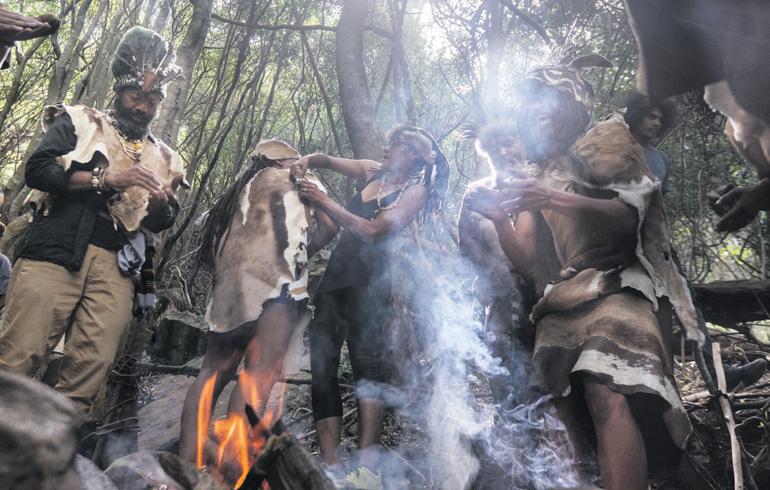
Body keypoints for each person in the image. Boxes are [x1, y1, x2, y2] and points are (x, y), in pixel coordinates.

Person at [467, 55, 701, 489]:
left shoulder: (604, 140)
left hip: (618, 283)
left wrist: (553, 199)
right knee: (566, 411)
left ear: (572, 105)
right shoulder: (538, 173)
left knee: (603, 385)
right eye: (531, 100)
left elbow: (630, 214)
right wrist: (500, 216)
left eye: (548, 98)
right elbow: (523, 256)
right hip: (564, 296)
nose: (537, 109)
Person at [0, 26, 185, 422]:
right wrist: (106, 180)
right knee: (18, 357)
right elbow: (37, 170)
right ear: (120, 94)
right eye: (136, 97)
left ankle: (54, 467)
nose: (142, 107)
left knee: (88, 371)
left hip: (117, 268)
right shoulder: (82, 121)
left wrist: (157, 204)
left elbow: (165, 218)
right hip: (54, 250)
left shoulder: (164, 156)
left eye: (151, 101)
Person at [294, 124, 449, 486]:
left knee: (368, 370)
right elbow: (329, 160)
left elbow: (374, 230)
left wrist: (324, 201)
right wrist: (308, 160)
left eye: (394, 144)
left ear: (411, 153)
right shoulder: (371, 170)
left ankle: (366, 471)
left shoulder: (416, 191)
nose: (386, 147)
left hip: (371, 286)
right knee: (322, 368)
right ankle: (331, 465)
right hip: (334, 281)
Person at [178, 139, 335, 470]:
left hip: (228, 296)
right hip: (278, 289)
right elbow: (330, 226)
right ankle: (232, 469)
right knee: (257, 375)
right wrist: (305, 253)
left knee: (209, 374)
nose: (300, 163)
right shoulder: (298, 180)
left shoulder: (233, 194)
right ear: (284, 163)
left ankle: (186, 466)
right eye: (295, 159)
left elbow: (205, 244)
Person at [623, 91, 767, 389]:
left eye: (660, 118)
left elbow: (659, 206)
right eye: (650, 115)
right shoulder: (613, 149)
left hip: (657, 245)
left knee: (686, 303)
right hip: (617, 244)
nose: (656, 123)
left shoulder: (661, 160)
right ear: (634, 115)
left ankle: (716, 374)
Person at [457, 121, 536, 404]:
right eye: (494, 147)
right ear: (485, 154)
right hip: (500, 296)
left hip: (547, 296)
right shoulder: (477, 192)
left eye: (510, 141)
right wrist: (491, 271)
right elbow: (465, 242)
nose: (504, 151)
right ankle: (507, 429)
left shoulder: (544, 182)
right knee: (498, 354)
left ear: (523, 142)